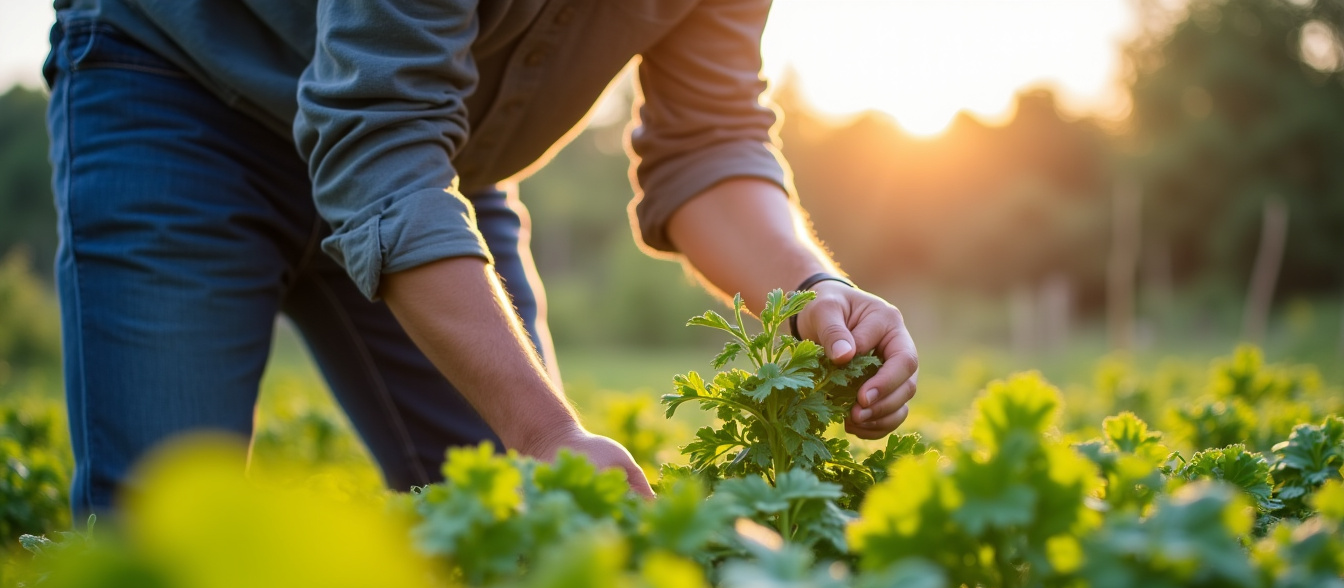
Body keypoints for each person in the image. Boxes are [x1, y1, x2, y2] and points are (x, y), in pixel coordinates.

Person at [43, 0, 919, 512]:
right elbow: (377, 134)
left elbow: (710, 143)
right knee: (161, 555)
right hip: (182, 92)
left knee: (535, 531)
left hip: (432, 163)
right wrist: (543, 430)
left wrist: (814, 288)